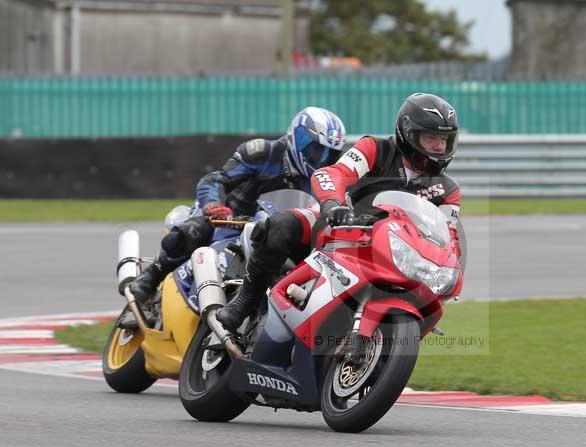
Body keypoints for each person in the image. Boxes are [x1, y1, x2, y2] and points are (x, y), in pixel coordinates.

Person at [217, 92, 462, 331]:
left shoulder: (448, 191)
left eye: (445, 140)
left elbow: (448, 239)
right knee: (280, 225)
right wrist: (333, 205)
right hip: (340, 229)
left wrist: (450, 270)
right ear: (409, 133)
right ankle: (245, 302)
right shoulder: (375, 148)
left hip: (391, 254)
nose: (440, 147)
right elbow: (331, 174)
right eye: (431, 138)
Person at [127, 107, 347, 303]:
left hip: (269, 229)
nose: (322, 160)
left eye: (330, 155)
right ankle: (151, 276)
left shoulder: (325, 180)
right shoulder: (261, 152)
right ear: (297, 138)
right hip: (227, 217)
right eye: (317, 151)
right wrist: (213, 205)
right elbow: (214, 179)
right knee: (194, 229)